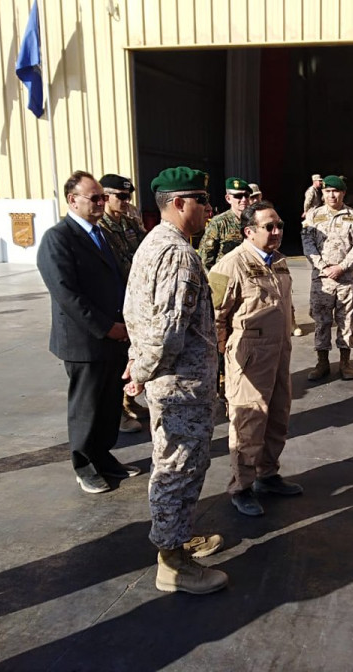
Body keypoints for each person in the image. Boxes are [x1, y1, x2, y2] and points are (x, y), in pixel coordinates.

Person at [122, 166, 228, 595]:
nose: (208, 209)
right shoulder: (179, 254)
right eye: (201, 201)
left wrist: (137, 362)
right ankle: (173, 563)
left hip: (174, 382)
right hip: (181, 385)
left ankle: (179, 537)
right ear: (179, 203)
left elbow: (134, 312)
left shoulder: (155, 243)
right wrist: (141, 373)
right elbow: (167, 330)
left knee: (177, 464)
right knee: (178, 468)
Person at [36, 171, 140, 495]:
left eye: (102, 197)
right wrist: (105, 327)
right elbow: (67, 294)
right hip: (86, 341)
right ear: (73, 200)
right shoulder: (58, 238)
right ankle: (85, 466)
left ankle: (105, 458)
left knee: (110, 405)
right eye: (94, 198)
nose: (101, 203)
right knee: (86, 407)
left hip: (114, 336)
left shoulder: (101, 233)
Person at [209, 201, 303, 517]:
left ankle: (268, 475)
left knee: (277, 415)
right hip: (248, 356)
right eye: (269, 227)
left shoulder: (278, 260)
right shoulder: (229, 265)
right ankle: (242, 487)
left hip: (279, 352)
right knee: (249, 422)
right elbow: (214, 317)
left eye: (279, 226)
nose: (276, 232)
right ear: (249, 231)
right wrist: (221, 365)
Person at [302, 175, 353, 381]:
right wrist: (323, 267)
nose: (332, 195)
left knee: (346, 320)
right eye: (328, 191)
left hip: (346, 278)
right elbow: (307, 243)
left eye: (336, 191)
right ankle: (322, 362)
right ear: (323, 193)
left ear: (343, 193)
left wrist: (342, 266)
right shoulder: (313, 216)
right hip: (322, 279)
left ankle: (345, 362)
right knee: (321, 320)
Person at [98, 173, 149, 433]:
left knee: (134, 348)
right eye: (121, 196)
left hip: (136, 296)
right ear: (105, 196)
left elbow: (145, 248)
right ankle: (118, 408)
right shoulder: (100, 227)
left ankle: (130, 399)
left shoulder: (130, 222)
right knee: (118, 356)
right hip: (116, 299)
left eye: (128, 196)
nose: (126, 201)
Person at [198, 176, 250, 272]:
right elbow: (205, 258)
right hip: (225, 278)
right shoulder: (218, 223)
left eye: (246, 195)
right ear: (228, 198)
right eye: (238, 196)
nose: (244, 199)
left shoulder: (255, 221)